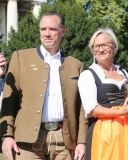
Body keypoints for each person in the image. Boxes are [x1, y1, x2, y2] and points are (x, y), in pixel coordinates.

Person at [0, 11, 88, 160]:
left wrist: (82, 141)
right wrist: (6, 135)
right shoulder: (20, 57)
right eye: (43, 29)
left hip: (65, 142)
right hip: (27, 142)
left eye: (52, 29)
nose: (47, 33)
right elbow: (9, 101)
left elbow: (81, 108)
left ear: (63, 31)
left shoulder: (76, 65)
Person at [78, 28, 128, 160]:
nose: (100, 49)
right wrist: (121, 112)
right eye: (96, 46)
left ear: (114, 47)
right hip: (105, 132)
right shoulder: (88, 75)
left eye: (104, 45)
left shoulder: (124, 73)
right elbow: (92, 110)